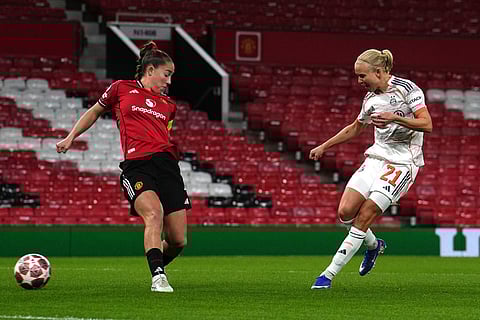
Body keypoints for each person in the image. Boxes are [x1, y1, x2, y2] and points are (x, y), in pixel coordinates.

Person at [56, 41, 191, 293]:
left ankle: (157, 261)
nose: (169, 81)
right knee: (153, 214)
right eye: (167, 74)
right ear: (150, 70)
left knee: (178, 240)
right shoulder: (121, 88)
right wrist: (70, 137)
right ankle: (158, 276)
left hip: (167, 167)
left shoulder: (169, 106)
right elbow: (94, 112)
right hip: (137, 166)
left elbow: (164, 136)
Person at [309, 49, 433, 289]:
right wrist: (324, 146)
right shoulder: (370, 99)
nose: (359, 81)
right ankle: (375, 246)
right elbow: (356, 127)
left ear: (378, 71)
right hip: (376, 158)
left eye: (362, 76)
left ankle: (327, 275)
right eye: (357, 76)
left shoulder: (408, 90)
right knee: (345, 212)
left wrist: (395, 118)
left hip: (402, 163)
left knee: (365, 215)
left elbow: (426, 124)